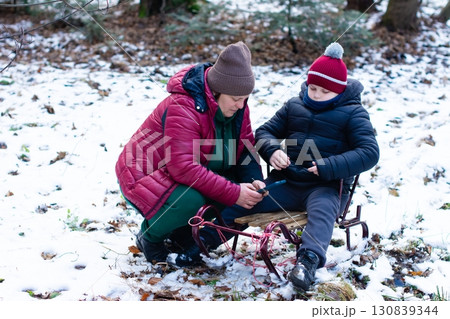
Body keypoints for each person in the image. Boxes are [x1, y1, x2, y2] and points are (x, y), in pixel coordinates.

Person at [176, 42, 380, 291]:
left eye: (323, 92)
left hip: (326, 186)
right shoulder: (295, 105)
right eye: (312, 87)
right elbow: (264, 132)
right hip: (288, 181)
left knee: (322, 213)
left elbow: (369, 152)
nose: (314, 95)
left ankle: (308, 261)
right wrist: (272, 151)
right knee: (248, 199)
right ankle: (203, 243)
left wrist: (328, 166)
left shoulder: (353, 113)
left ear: (339, 91)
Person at [115, 41, 266, 266]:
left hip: (185, 173)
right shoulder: (184, 106)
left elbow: (245, 148)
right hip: (144, 172)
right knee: (193, 199)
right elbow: (182, 167)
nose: (240, 105)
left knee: (240, 194)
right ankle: (150, 237)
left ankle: (180, 234)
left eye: (245, 99)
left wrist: (253, 182)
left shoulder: (238, 106)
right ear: (216, 90)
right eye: (235, 99)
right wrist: (235, 192)